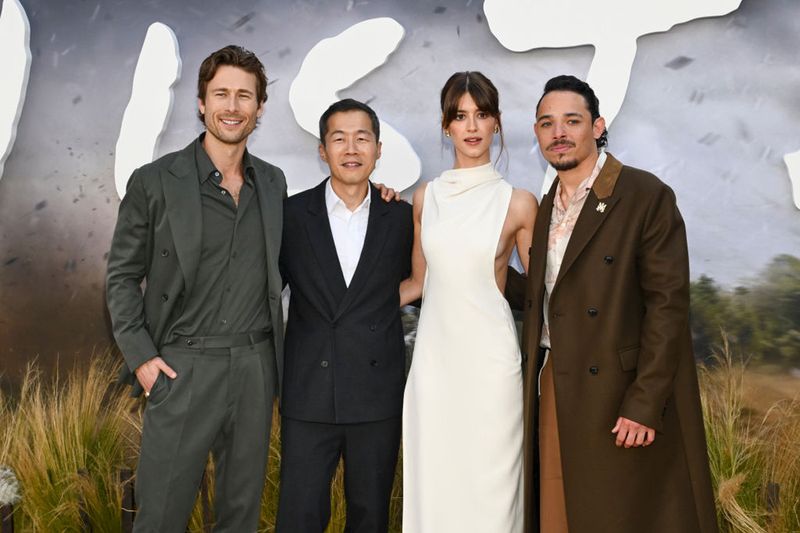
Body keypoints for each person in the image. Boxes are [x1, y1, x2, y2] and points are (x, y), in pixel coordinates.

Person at [506, 74, 718, 533]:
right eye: (547, 123)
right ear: (537, 133)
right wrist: (482, 274)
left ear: (598, 126)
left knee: (623, 518)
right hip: (558, 384)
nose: (558, 133)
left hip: (620, 393)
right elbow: (553, 297)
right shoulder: (546, 206)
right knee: (562, 517)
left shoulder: (644, 195)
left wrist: (645, 402)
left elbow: (667, 306)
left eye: (572, 121)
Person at [106, 45, 286, 533]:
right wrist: (143, 359)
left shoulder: (273, 184)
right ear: (202, 103)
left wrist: (374, 194)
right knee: (160, 517)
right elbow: (121, 276)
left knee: (240, 517)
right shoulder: (155, 181)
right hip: (182, 367)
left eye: (244, 95)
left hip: (254, 367)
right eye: (221, 93)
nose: (233, 106)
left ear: (260, 108)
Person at [400, 71, 538, 532]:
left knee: (492, 498)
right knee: (437, 490)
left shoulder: (519, 203)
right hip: (434, 369)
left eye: (482, 114)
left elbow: (543, 291)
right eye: (460, 116)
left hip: (492, 369)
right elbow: (417, 284)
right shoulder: (425, 198)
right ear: (446, 126)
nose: (472, 126)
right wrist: (345, 308)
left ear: (497, 122)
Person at [276, 99, 413, 532]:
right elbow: (262, 291)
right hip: (308, 392)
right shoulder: (290, 216)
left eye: (362, 138)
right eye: (339, 139)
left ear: (378, 149)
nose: (351, 149)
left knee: (370, 517)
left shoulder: (403, 218)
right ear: (323, 150)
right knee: (299, 518)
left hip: (376, 395)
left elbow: (424, 284)